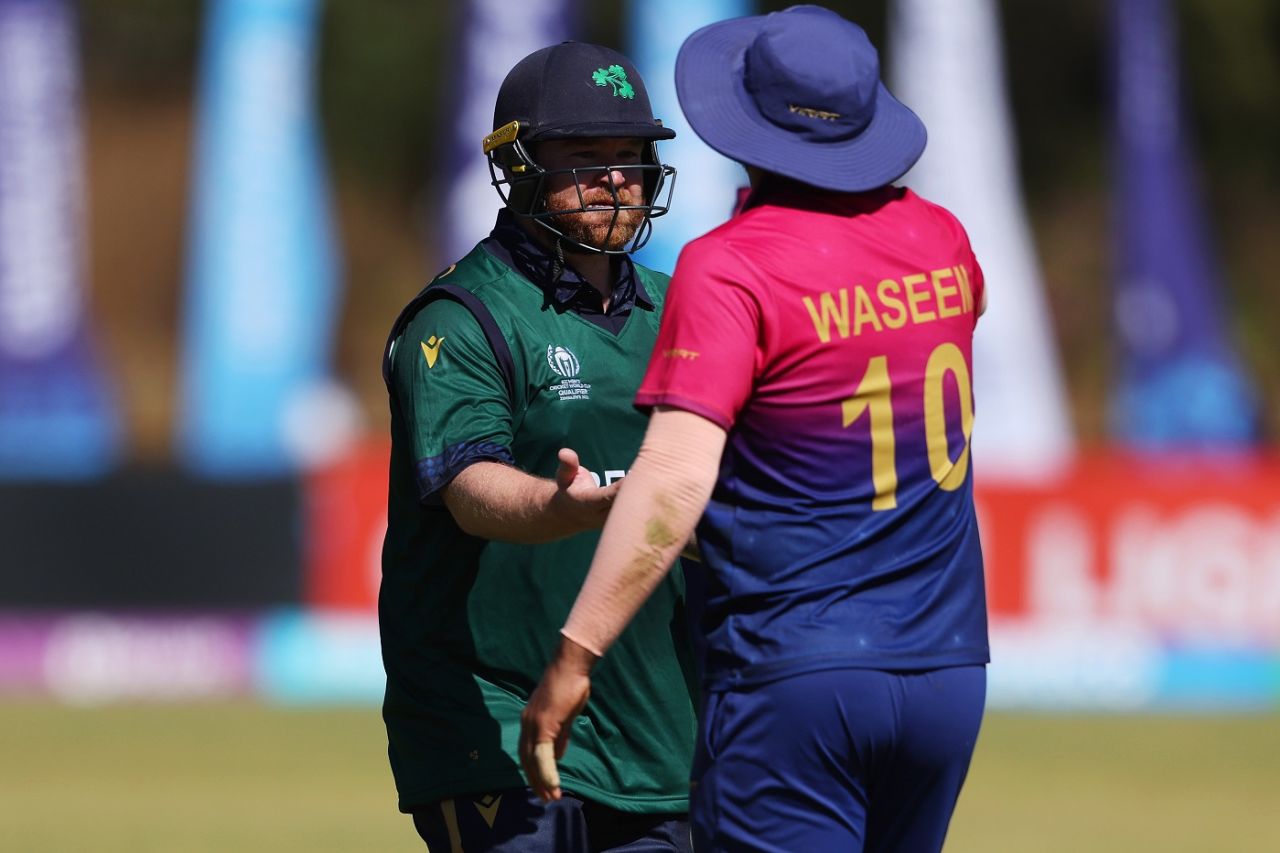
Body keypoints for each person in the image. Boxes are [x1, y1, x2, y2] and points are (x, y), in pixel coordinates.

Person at [520, 7, 990, 853]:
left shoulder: (731, 264)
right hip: (949, 671)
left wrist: (575, 654)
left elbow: (672, 477)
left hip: (795, 676)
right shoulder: (945, 241)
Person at [380, 41, 697, 852]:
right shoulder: (463, 316)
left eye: (630, 157)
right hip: (492, 723)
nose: (616, 178)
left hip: (659, 734)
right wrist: (563, 505)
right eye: (584, 158)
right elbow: (468, 484)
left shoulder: (688, 311)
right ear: (518, 168)